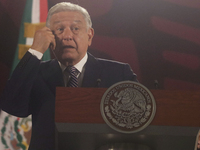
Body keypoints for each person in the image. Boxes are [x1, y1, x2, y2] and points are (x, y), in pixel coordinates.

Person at [0, 2, 137, 150]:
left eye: (75, 28)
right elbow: (11, 105)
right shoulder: (35, 73)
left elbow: (139, 120)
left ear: (89, 35)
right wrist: (35, 50)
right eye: (59, 29)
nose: (67, 36)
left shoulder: (119, 74)